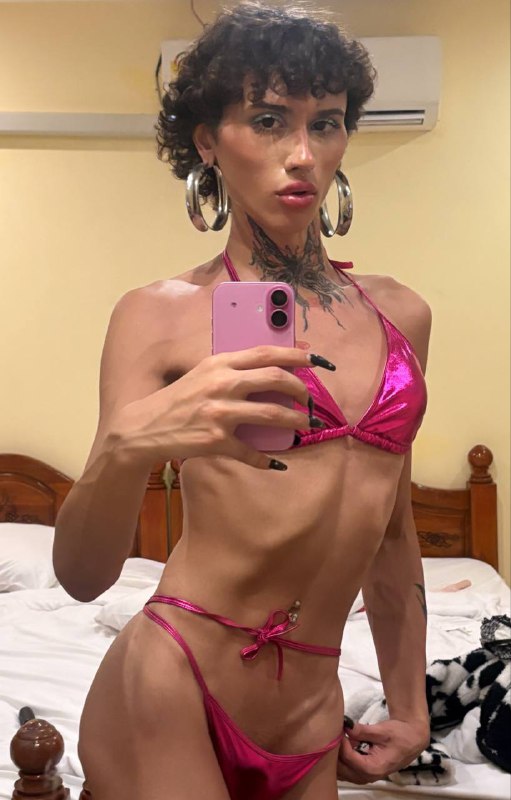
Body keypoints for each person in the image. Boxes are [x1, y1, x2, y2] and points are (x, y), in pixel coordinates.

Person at [53, 3, 432, 798]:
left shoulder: (402, 314)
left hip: (312, 710)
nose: (301, 154)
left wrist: (409, 706)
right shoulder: (156, 315)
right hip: (176, 682)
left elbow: (392, 535)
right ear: (207, 140)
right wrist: (127, 449)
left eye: (325, 124)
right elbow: (83, 577)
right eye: (267, 121)